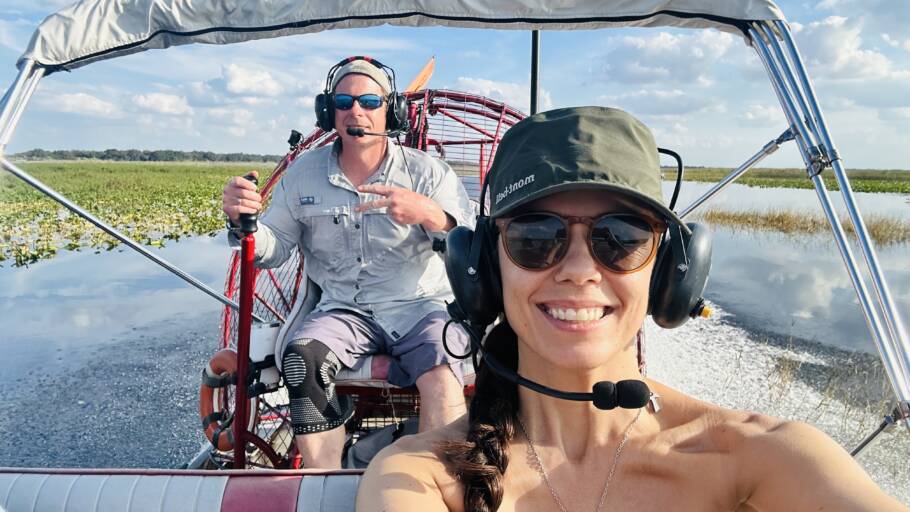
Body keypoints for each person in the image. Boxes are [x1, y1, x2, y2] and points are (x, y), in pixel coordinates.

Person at [356, 107, 908, 511]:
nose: (578, 269)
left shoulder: (762, 458)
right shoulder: (418, 477)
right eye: (533, 236)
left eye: (620, 237)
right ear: (483, 266)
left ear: (670, 272)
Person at [222, 56, 474, 469]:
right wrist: (244, 222)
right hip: (343, 309)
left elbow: (469, 247)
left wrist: (429, 214)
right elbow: (275, 248)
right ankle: (324, 482)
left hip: (420, 306)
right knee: (303, 358)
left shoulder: (428, 174)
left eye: (370, 101)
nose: (356, 111)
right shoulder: (302, 174)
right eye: (344, 102)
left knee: (443, 366)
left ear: (389, 111)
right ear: (329, 112)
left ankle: (428, 489)